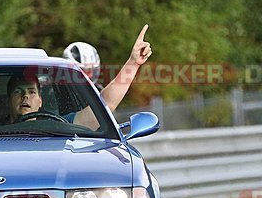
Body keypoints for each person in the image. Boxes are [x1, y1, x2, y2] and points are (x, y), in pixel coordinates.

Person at [8, 24, 153, 129]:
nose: (25, 97)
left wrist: (133, 63)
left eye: (31, 92)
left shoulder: (61, 127)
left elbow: (106, 104)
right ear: (7, 99)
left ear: (40, 101)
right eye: (18, 91)